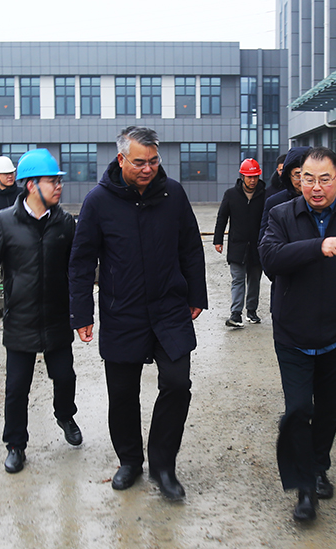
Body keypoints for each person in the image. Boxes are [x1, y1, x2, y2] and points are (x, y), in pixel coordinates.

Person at [68, 126, 207, 502]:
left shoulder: (173, 194)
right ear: (121, 160)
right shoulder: (98, 201)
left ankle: (164, 465)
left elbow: (190, 247)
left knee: (177, 384)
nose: (148, 169)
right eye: (140, 162)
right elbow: (82, 261)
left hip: (169, 308)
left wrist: (196, 293)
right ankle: (129, 461)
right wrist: (82, 313)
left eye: (154, 161)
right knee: (123, 394)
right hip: (122, 311)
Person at [259, 146, 336, 522]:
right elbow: (270, 260)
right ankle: (304, 490)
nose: (316, 187)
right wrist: (317, 247)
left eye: (324, 179)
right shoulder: (281, 214)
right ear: (298, 180)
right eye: (308, 179)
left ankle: (318, 468)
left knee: (328, 409)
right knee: (299, 409)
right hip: (292, 335)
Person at [0, 148, 82, 474]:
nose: (59, 187)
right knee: (17, 388)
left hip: (56, 317)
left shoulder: (64, 223)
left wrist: (82, 311)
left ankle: (65, 415)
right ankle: (16, 445)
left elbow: (78, 268)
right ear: (31, 185)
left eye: (59, 181)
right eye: (52, 181)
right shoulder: (4, 222)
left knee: (65, 376)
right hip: (21, 318)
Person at [213, 158, 266, 327]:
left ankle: (251, 311)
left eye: (255, 176)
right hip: (237, 245)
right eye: (249, 177)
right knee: (237, 279)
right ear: (242, 176)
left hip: (258, 246)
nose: (253, 180)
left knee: (254, 280)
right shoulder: (231, 194)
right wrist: (218, 240)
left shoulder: (265, 195)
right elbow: (222, 217)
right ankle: (236, 314)